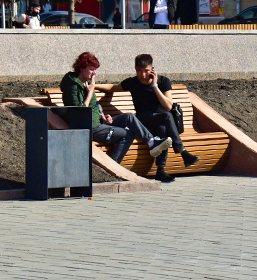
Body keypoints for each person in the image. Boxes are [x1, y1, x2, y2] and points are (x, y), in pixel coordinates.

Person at [60, 52, 171, 164]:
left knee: (129, 117)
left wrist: (102, 115)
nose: (94, 73)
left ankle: (152, 142)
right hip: (88, 127)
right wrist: (90, 92)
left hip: (97, 122)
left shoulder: (87, 82)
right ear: (81, 68)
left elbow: (94, 105)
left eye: (95, 69)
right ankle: (113, 167)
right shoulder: (72, 87)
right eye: (91, 69)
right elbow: (79, 111)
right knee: (127, 134)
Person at [120, 54, 200, 182]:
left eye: (146, 70)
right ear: (135, 70)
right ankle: (182, 152)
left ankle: (160, 171)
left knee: (163, 129)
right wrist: (93, 86)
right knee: (166, 118)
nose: (143, 74)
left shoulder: (163, 82)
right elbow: (112, 88)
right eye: (139, 71)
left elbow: (168, 106)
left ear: (152, 69)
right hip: (143, 122)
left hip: (162, 121)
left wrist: (155, 86)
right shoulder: (132, 82)